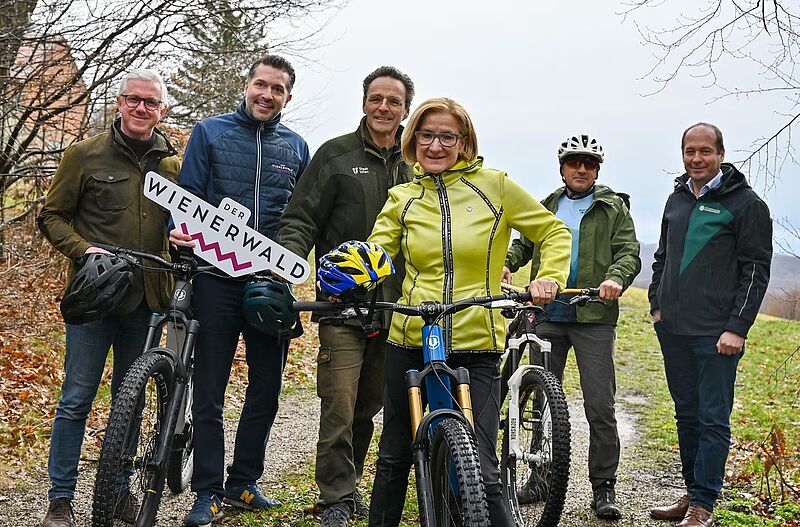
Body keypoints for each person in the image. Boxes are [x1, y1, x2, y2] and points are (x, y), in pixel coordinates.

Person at [365, 97, 572, 527]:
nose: (435, 145)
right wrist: (347, 279)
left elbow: (551, 230)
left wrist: (547, 276)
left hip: (477, 337)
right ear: (412, 139)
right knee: (393, 457)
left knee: (482, 463)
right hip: (411, 335)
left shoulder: (494, 185)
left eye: (447, 136)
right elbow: (378, 251)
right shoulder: (402, 196)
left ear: (464, 142)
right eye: (426, 135)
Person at [169, 54, 309, 527]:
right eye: (261, 85)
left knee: (266, 387)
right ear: (246, 85)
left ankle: (243, 482)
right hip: (214, 278)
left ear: (288, 96)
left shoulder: (297, 146)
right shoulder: (210, 132)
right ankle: (206, 489)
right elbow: (187, 195)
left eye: (278, 89)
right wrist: (178, 231)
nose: (267, 95)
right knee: (208, 388)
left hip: (269, 283)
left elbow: (299, 215)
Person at [37, 69, 180, 527]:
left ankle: (118, 493)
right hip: (95, 297)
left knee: (129, 400)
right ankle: (60, 498)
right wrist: (85, 251)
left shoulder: (172, 165)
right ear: (119, 103)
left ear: (162, 110)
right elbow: (52, 216)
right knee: (77, 397)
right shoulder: (84, 154)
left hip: (146, 300)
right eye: (133, 100)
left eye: (151, 103)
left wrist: (181, 242)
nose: (142, 109)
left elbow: (180, 228)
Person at [277, 66, 415, 527]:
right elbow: (301, 218)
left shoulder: (418, 162)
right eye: (376, 98)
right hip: (340, 305)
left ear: (405, 110)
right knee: (338, 403)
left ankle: (350, 481)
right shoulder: (334, 155)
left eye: (393, 101)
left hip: (398, 308)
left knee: (368, 407)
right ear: (363, 103)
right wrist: (285, 269)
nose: (383, 107)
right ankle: (336, 496)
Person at [502, 133, 641, 520]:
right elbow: (525, 243)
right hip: (549, 313)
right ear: (561, 167)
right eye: (573, 162)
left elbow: (629, 253)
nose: (581, 169)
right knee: (541, 398)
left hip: (594, 315)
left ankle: (603, 486)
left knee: (600, 405)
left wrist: (616, 279)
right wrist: (509, 261)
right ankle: (540, 476)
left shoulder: (613, 208)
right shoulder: (547, 205)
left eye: (589, 164)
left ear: (597, 170)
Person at [648, 123, 772, 527]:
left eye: (705, 151)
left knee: (713, 418)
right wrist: (656, 305)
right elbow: (662, 257)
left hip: (717, 334)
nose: (696, 159)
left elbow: (756, 270)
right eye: (689, 151)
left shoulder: (746, 204)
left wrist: (737, 327)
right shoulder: (676, 198)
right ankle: (691, 492)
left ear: (721, 153)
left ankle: (704, 504)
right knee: (686, 415)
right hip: (675, 330)